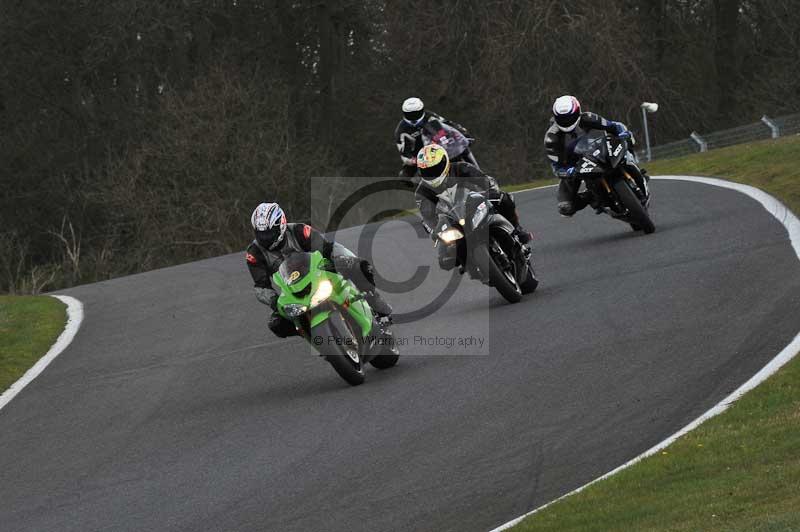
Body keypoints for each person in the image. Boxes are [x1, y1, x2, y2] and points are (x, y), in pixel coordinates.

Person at [245, 202, 393, 338]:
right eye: (261, 233)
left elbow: (325, 248)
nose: (266, 238)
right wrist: (274, 302)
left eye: (269, 233)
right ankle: (311, 334)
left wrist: (333, 262)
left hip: (319, 269)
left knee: (359, 266)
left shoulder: (300, 231)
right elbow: (261, 286)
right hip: (292, 289)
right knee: (276, 324)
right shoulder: (254, 253)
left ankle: (374, 303)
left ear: (281, 224)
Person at [544, 95, 650, 216]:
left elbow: (614, 126)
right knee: (566, 207)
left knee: (627, 140)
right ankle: (591, 197)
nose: (567, 121)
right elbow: (556, 166)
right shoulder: (551, 138)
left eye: (570, 117)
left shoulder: (589, 118)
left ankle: (635, 167)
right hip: (575, 165)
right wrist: (567, 171)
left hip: (599, 150)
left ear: (578, 112)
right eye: (562, 118)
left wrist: (623, 133)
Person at [414, 144, 532, 244]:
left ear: (445, 162)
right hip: (453, 221)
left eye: (435, 168)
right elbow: (427, 218)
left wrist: (491, 192)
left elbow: (486, 181)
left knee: (505, 199)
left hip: (475, 204)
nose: (432, 173)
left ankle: (517, 230)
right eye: (427, 171)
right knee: (445, 254)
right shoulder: (422, 192)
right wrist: (434, 231)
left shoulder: (462, 168)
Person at [394, 97, 479, 178]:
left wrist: (463, 133)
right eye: (410, 114)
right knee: (405, 176)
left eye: (416, 113)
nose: (414, 116)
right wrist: (414, 160)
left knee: (464, 150)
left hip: (442, 146)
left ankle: (480, 175)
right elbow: (404, 153)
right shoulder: (402, 130)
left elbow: (447, 123)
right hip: (421, 155)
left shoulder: (429, 116)